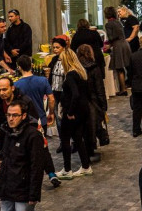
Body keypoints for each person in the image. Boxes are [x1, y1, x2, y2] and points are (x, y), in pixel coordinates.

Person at [14, 55, 62, 186]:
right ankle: (51, 174)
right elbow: (51, 99)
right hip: (41, 121)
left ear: (19, 67)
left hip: (26, 123)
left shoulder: (16, 85)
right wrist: (51, 113)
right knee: (43, 147)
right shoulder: (42, 81)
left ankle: (31, 177)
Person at [0, 99, 44, 211]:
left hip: (23, 190)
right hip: (7, 187)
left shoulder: (33, 135)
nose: (11, 119)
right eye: (8, 115)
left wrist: (33, 194)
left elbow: (37, 166)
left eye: (15, 115)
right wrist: (0, 158)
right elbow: (4, 151)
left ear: (23, 115)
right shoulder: (8, 131)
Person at [56, 49, 92, 179]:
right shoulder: (81, 72)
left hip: (73, 111)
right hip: (83, 110)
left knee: (65, 139)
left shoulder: (71, 75)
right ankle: (86, 166)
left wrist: (70, 112)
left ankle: (67, 169)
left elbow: (75, 94)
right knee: (78, 138)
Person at [75, 45, 108, 161]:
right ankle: (90, 151)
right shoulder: (94, 68)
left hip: (79, 101)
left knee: (83, 127)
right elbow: (99, 88)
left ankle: (85, 150)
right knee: (93, 126)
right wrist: (103, 105)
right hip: (93, 101)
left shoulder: (75, 68)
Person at [104, 6, 131, 96]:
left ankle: (123, 89)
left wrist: (108, 44)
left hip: (118, 46)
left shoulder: (109, 24)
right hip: (125, 44)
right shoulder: (118, 22)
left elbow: (111, 37)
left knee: (119, 69)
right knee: (127, 67)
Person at [45, 36, 67, 135]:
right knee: (57, 116)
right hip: (54, 91)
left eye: (57, 47)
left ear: (64, 47)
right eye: (53, 47)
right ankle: (62, 140)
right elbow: (49, 73)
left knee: (66, 116)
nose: (55, 50)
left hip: (65, 92)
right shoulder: (53, 59)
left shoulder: (68, 60)